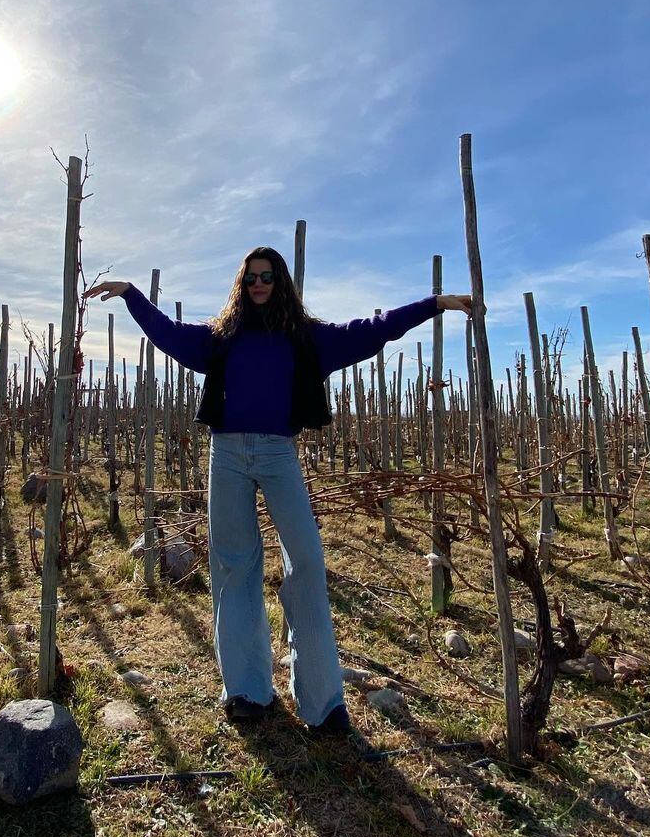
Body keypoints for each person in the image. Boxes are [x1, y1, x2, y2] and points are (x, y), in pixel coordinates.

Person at [86, 247, 471, 735]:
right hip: (225, 454)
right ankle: (246, 691)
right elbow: (173, 338)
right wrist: (131, 296)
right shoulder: (222, 337)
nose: (259, 284)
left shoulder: (306, 338)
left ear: (281, 281)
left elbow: (373, 331)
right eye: (251, 278)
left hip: (278, 454)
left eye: (267, 276)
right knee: (234, 565)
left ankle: (321, 700)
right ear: (241, 284)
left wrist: (433, 303)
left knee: (306, 561)